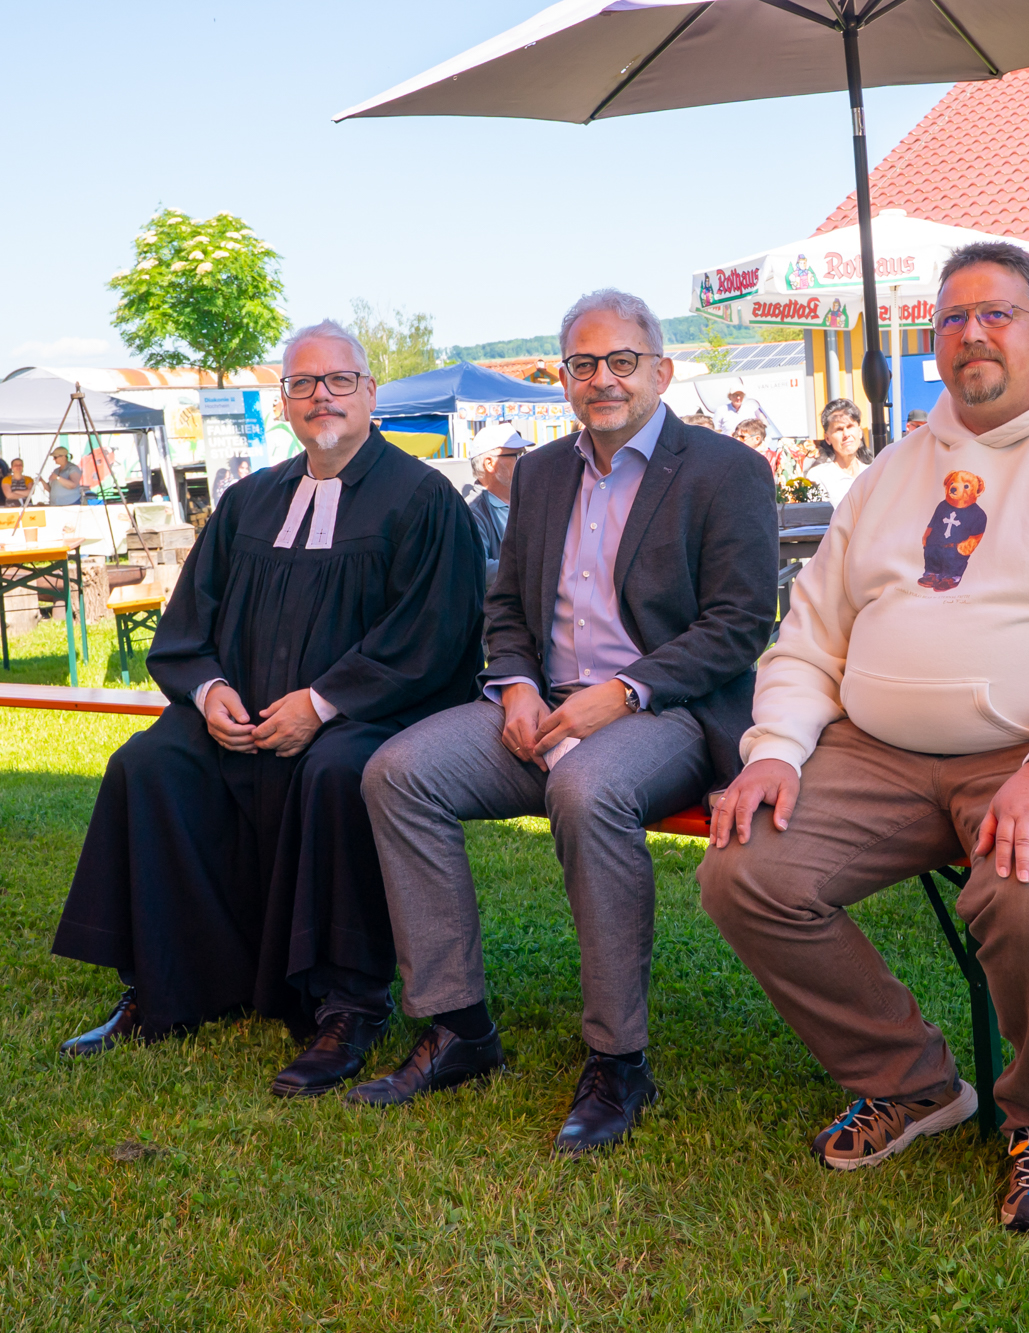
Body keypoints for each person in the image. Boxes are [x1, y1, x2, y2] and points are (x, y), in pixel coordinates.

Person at [698, 242, 1029, 1234]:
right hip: (883, 750)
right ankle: (910, 1080)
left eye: (996, 313)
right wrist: (774, 748)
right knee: (744, 869)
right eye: (953, 318)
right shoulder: (891, 472)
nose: (972, 333)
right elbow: (810, 634)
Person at [355, 290, 778, 1154]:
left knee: (587, 790)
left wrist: (621, 693)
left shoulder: (725, 470)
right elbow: (507, 604)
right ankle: (457, 1027)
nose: (603, 379)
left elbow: (738, 626)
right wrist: (514, 684)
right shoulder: (541, 473)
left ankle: (618, 1059)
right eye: (584, 364)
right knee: (397, 773)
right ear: (564, 379)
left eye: (622, 361)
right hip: (542, 705)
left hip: (667, 710)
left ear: (661, 371)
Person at [50, 320, 487, 1091]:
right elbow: (190, 620)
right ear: (283, 400)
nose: (322, 396)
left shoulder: (423, 500)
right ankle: (169, 982)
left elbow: (430, 634)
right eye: (302, 383)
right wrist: (210, 691)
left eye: (339, 380)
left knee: (337, 771)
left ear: (370, 393)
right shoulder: (248, 500)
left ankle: (348, 1004)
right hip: (244, 716)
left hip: (370, 714)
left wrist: (322, 704)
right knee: (152, 762)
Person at [465, 423, 526, 585]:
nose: (524, 460)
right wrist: (530, 568)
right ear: (490, 464)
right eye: (517, 455)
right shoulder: (472, 511)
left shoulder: (525, 499)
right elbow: (478, 567)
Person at [806, 397, 873, 505]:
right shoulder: (818, 476)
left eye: (850, 426)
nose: (846, 434)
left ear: (860, 432)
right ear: (827, 438)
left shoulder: (872, 472)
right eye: (839, 429)